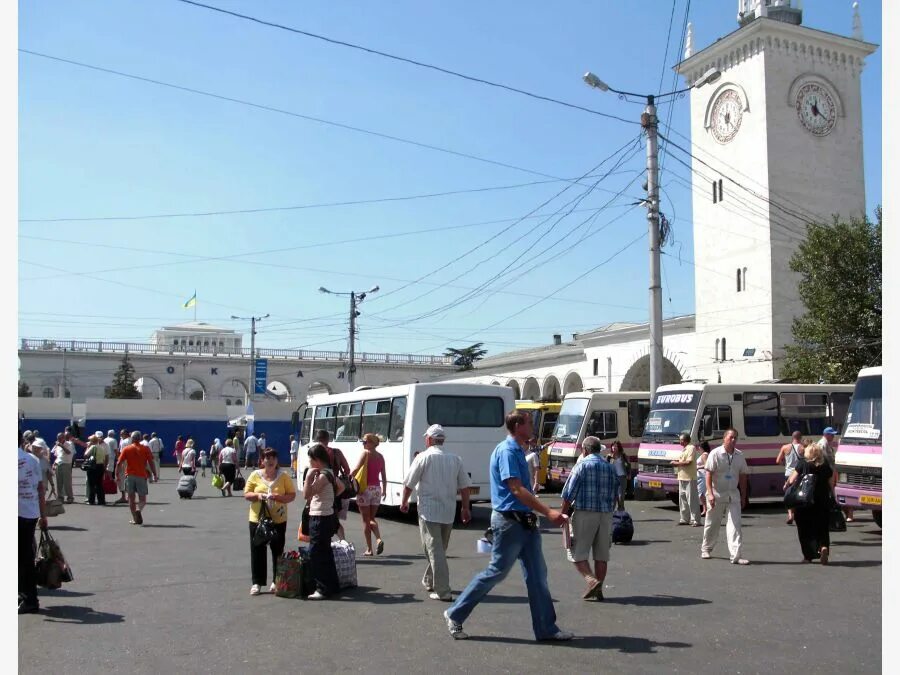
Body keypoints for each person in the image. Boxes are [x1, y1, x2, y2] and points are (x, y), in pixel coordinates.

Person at [444, 411, 572, 642]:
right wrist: (549, 511)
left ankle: (546, 629)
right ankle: (455, 613)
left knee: (537, 575)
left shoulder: (517, 450)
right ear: (518, 425)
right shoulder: (507, 451)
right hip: (510, 522)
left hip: (523, 522)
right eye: (530, 423)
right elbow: (515, 489)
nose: (533, 427)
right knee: (496, 572)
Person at [400, 424, 472, 601]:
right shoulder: (455, 459)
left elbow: (409, 483)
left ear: (430, 440)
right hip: (448, 511)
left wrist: (403, 502)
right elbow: (464, 487)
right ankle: (429, 580)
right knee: (439, 549)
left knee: (433, 550)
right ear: (442, 440)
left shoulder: (423, 458)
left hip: (428, 511)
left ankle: (443, 591)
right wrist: (464, 507)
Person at [560, 435, 619, 601]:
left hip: (585, 513)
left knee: (576, 552)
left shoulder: (581, 466)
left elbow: (568, 494)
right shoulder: (609, 467)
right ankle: (598, 589)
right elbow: (616, 494)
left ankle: (591, 581)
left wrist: (563, 514)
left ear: (584, 450)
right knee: (601, 554)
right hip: (606, 514)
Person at [245, 448, 296, 595]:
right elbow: (246, 494)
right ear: (262, 460)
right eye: (267, 458)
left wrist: (278, 497)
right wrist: (258, 495)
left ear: (277, 461)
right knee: (257, 550)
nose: (270, 460)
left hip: (278, 519)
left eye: (273, 457)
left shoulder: (284, 476)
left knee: (277, 550)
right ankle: (257, 583)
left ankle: (276, 581)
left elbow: (291, 495)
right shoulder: (255, 475)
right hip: (257, 519)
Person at [700, 429, 750, 565]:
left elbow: (743, 476)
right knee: (712, 523)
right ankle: (706, 548)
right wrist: (710, 493)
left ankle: (736, 555)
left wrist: (744, 496)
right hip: (716, 493)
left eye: (735, 438)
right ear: (724, 439)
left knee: (735, 525)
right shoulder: (715, 454)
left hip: (733, 494)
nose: (733, 440)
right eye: (731, 437)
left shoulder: (739, 455)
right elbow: (708, 473)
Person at [303, 443, 344, 599]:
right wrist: (330, 497)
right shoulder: (330, 473)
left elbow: (306, 494)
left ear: (317, 460)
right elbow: (340, 487)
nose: (309, 463)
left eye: (310, 460)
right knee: (325, 552)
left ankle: (322, 588)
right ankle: (332, 585)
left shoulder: (323, 475)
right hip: (327, 515)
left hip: (319, 516)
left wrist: (308, 477)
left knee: (316, 553)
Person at [785, 442, 835, 564]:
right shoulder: (825, 465)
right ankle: (823, 546)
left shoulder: (803, 463)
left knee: (804, 528)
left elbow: (792, 479)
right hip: (822, 500)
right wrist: (833, 496)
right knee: (822, 526)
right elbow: (831, 483)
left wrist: (787, 484)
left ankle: (808, 556)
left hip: (805, 501)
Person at [19, 431, 48, 614]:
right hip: (29, 513)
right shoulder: (31, 460)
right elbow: (40, 489)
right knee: (25, 557)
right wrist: (43, 515)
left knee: (21, 558)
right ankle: (28, 597)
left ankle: (28, 599)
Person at [350, 433, 388, 556]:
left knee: (366, 521)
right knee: (372, 518)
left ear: (371, 443)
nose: (363, 444)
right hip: (377, 489)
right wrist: (385, 490)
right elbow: (383, 475)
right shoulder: (381, 457)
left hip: (365, 489)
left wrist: (347, 478)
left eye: (365, 442)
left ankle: (369, 549)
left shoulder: (365, 454)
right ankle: (378, 539)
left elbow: (356, 469)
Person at [116, 430, 158, 525]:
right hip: (141, 475)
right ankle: (139, 509)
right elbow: (151, 462)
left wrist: (117, 474)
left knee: (131, 498)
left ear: (132, 438)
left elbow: (119, 463)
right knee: (142, 499)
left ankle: (135, 518)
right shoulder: (145, 449)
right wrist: (154, 474)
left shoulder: (126, 449)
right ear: (140, 438)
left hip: (129, 475)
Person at [671, 433, 701, 526]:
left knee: (692, 500)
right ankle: (684, 518)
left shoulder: (691, 448)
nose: (680, 442)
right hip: (682, 477)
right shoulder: (684, 450)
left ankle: (695, 520)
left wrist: (676, 463)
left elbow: (688, 462)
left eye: (681, 440)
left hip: (689, 477)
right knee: (682, 499)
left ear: (686, 440)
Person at [776, 431, 805, 525]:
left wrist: (785, 465)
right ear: (800, 438)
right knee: (798, 494)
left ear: (792, 437)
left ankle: (790, 515)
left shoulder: (785, 447)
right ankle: (797, 514)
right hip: (799, 474)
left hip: (788, 474)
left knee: (789, 494)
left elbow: (778, 460)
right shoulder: (803, 448)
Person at [82, 432, 109, 506]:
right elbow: (104, 458)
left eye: (90, 440)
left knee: (91, 484)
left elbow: (85, 455)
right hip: (100, 466)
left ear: (93, 441)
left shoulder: (93, 447)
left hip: (93, 466)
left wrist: (88, 447)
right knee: (99, 484)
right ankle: (101, 500)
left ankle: (91, 500)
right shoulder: (102, 447)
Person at [52, 432, 75, 504]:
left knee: (67, 482)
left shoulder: (69, 444)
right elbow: (57, 456)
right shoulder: (57, 445)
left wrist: (61, 446)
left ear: (64, 438)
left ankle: (70, 497)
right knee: (59, 482)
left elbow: (69, 452)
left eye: (60, 438)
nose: (58, 440)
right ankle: (60, 497)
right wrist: (54, 463)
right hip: (58, 464)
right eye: (57, 439)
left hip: (66, 464)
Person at [609, 440, 629, 511]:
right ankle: (612, 512)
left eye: (616, 446)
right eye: (613, 446)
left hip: (622, 477)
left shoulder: (623, 455)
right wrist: (611, 458)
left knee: (621, 496)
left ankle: (621, 511)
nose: (614, 448)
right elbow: (607, 466)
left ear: (619, 447)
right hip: (613, 478)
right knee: (614, 496)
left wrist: (629, 474)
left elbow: (628, 465)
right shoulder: (609, 456)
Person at [697, 441, 711, 517]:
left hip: (703, 476)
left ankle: (705, 509)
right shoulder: (704, 454)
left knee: (701, 493)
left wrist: (698, 467)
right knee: (703, 493)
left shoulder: (704, 455)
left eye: (700, 447)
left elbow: (706, 465)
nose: (699, 448)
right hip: (701, 476)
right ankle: (705, 509)